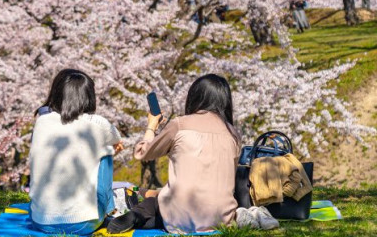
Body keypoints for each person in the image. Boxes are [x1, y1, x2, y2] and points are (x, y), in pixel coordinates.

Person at [107, 74, 241, 234]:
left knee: (157, 202)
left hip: (181, 215)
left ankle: (136, 215)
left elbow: (143, 153)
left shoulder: (181, 124)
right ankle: (142, 216)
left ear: (195, 97)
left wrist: (152, 125)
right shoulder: (233, 134)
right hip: (221, 218)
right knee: (162, 200)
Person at [29, 69, 123, 235]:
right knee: (106, 152)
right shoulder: (97, 123)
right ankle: (109, 210)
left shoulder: (41, 121)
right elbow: (117, 138)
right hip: (82, 223)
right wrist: (110, 148)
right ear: (88, 96)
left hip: (40, 220)